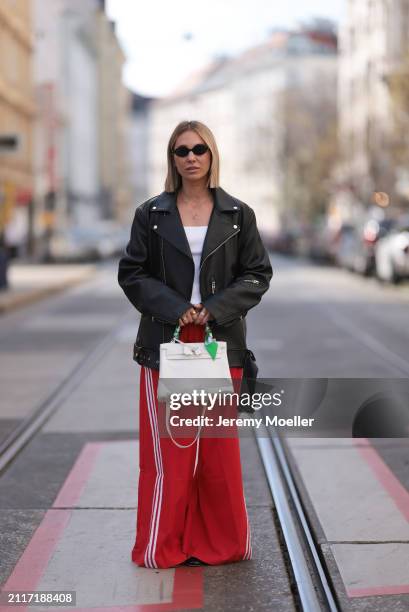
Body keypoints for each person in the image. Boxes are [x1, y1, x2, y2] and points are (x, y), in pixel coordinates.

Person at [118, 119, 272, 569]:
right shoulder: (151, 214)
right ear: (172, 158)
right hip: (168, 342)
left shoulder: (238, 215)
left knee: (218, 455)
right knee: (171, 451)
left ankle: (221, 545)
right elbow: (133, 273)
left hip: (218, 343)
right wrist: (174, 307)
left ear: (211, 155)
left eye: (199, 149)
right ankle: (163, 546)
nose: (191, 157)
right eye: (181, 150)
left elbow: (257, 274)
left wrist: (215, 307)